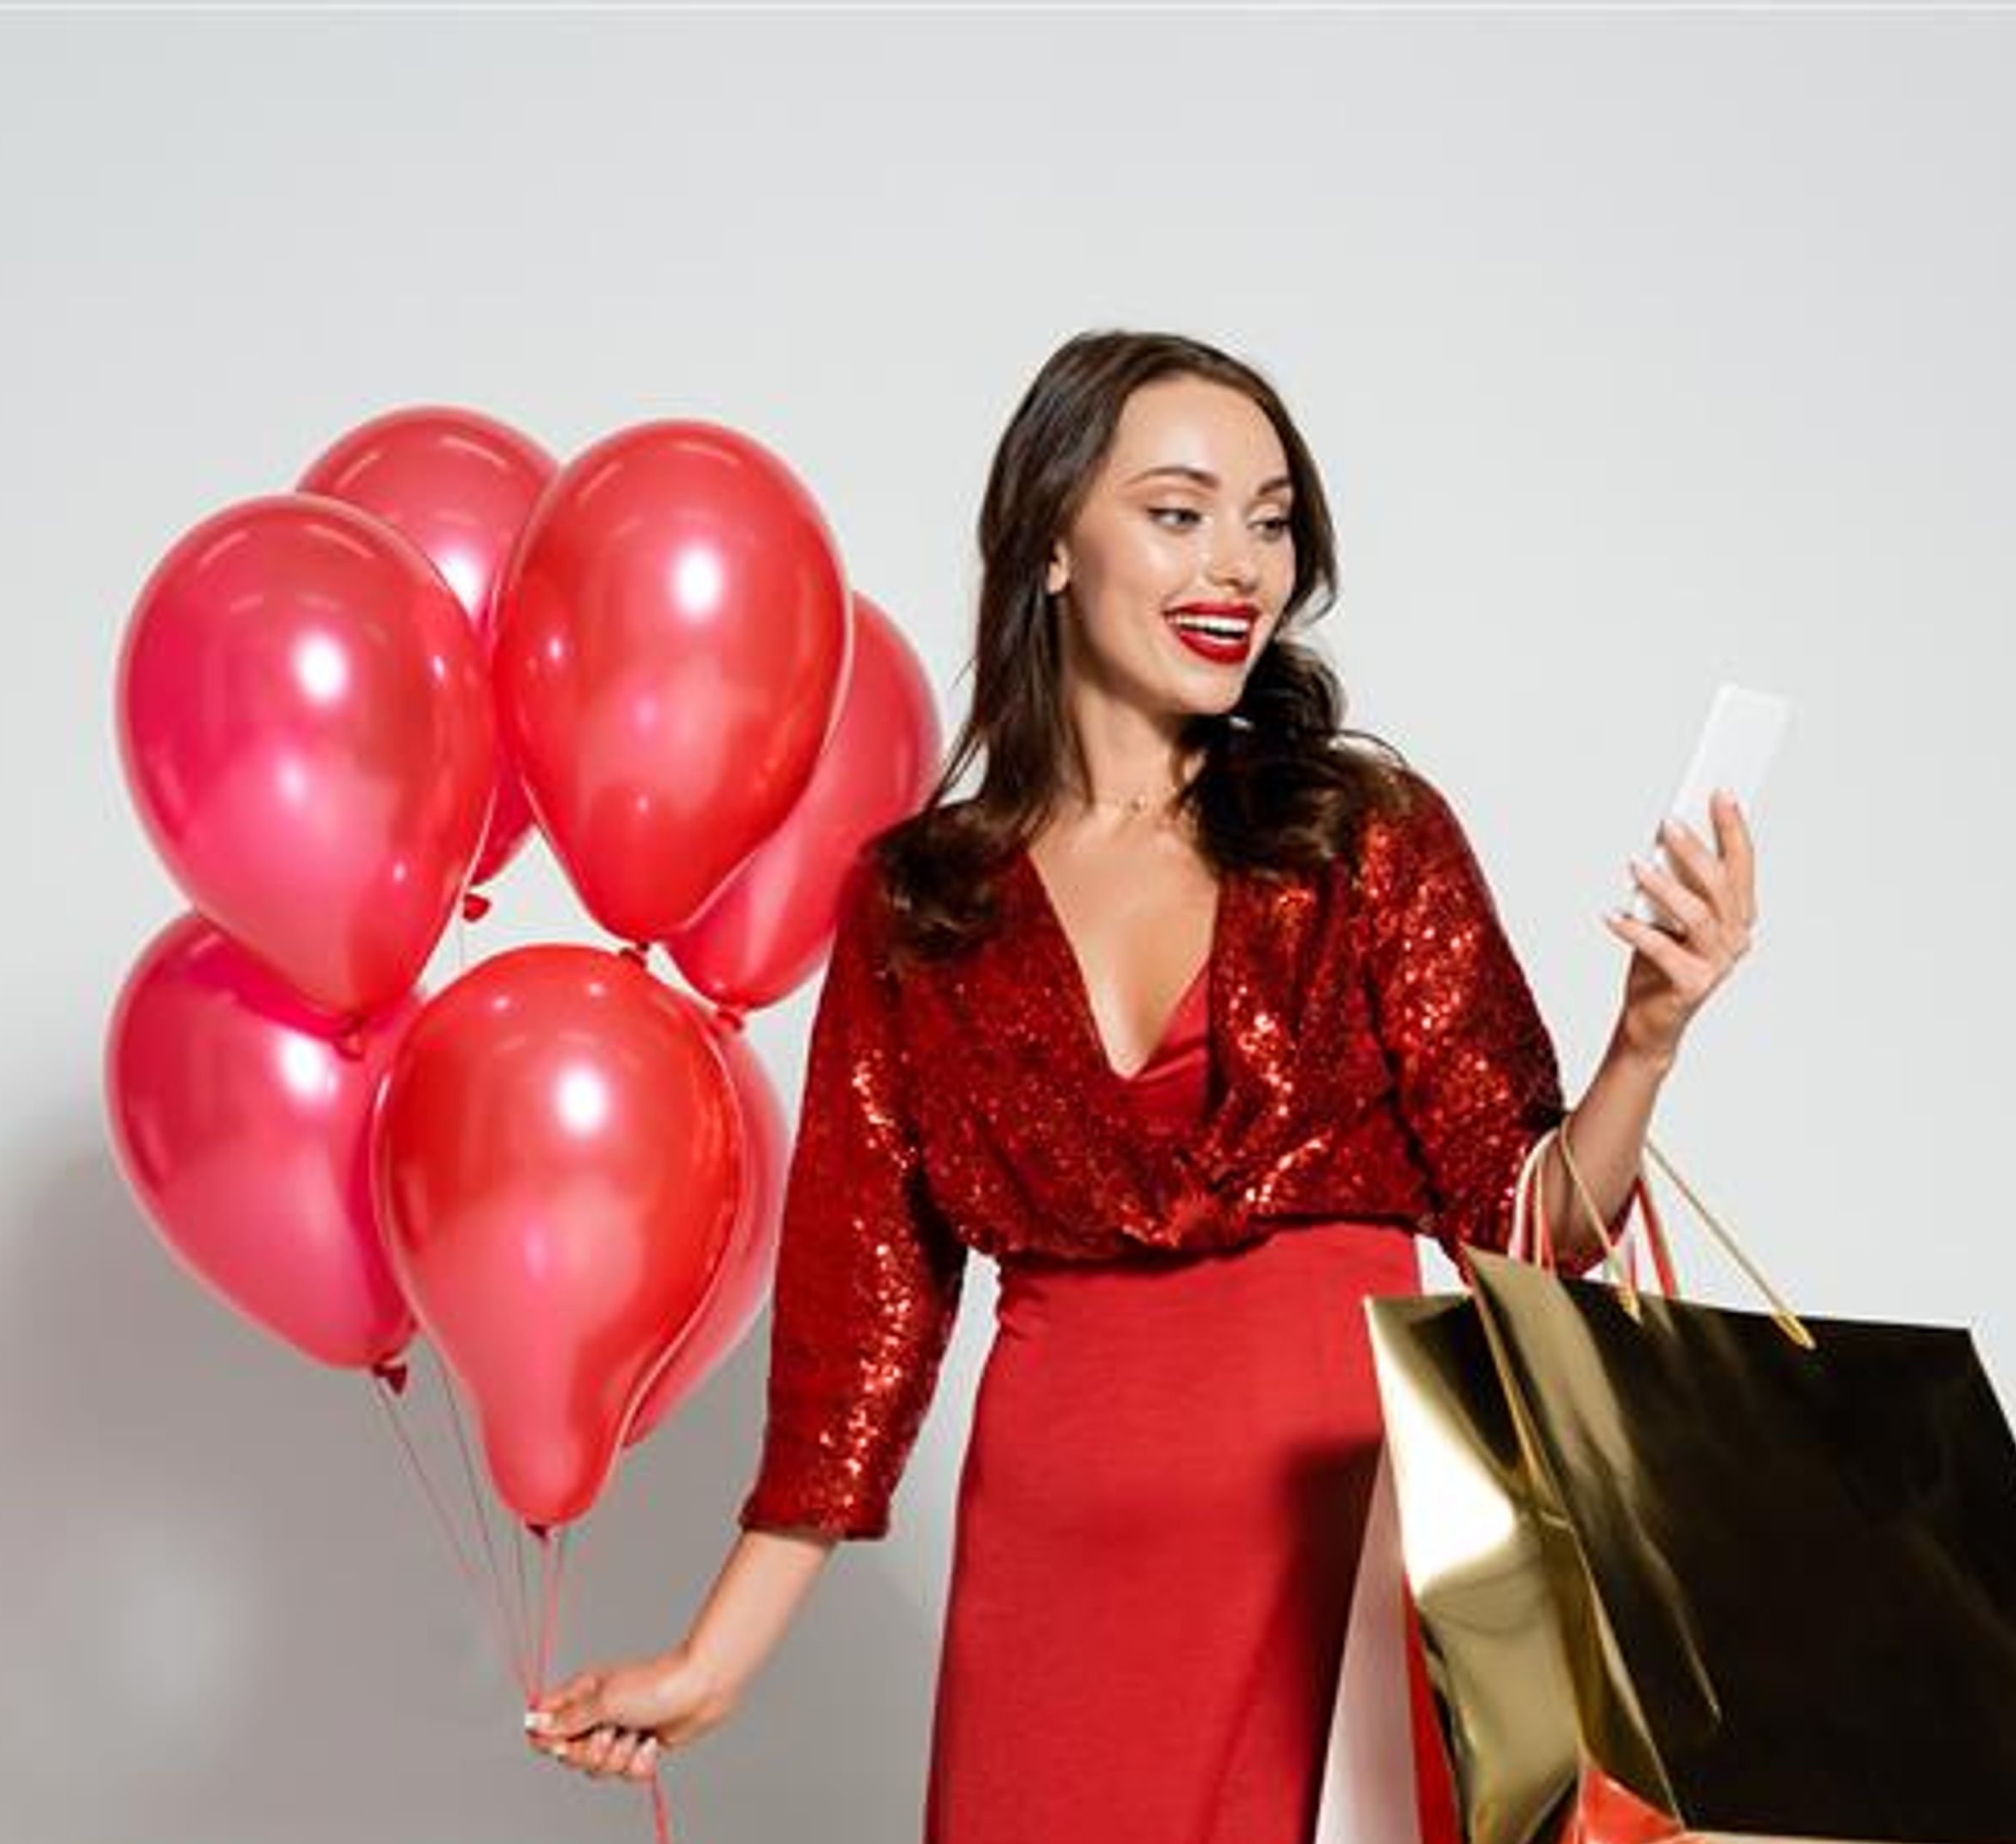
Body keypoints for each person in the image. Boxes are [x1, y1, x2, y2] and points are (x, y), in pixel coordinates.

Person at [520, 330, 1758, 1841]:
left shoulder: (1359, 836)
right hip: (1061, 1597)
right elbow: (858, 1340)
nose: (1236, 562)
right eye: (1179, 512)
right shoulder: (925, 904)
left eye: (1271, 517)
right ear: (1051, 539)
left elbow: (1535, 1230)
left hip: (1355, 1561)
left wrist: (1649, 1035)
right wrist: (713, 1664)